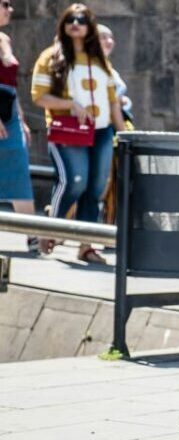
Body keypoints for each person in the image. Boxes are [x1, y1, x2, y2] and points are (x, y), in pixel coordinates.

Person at [32, 3, 125, 264]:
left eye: (82, 20)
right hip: (69, 129)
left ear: (90, 26)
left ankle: (86, 245)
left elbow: (113, 102)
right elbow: (39, 96)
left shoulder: (100, 61)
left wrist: (125, 134)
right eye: (70, 19)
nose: (76, 24)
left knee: (96, 188)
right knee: (75, 182)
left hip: (102, 131)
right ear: (63, 24)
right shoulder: (51, 56)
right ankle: (51, 228)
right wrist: (70, 105)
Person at [0, 0, 38, 253]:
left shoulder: (5, 38)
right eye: (5, 4)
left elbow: (11, 85)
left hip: (9, 113)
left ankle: (32, 235)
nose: (10, 10)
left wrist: (21, 119)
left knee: (19, 172)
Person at [97, 24, 132, 127]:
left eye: (111, 38)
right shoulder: (90, 67)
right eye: (103, 37)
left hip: (110, 121)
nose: (109, 41)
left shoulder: (109, 67)